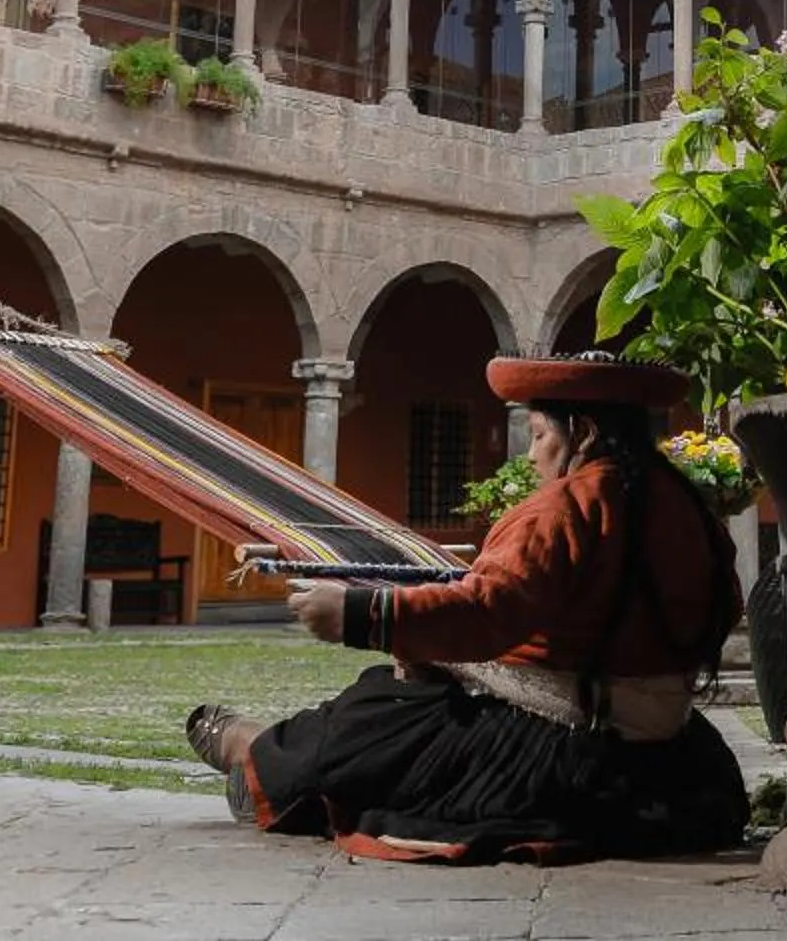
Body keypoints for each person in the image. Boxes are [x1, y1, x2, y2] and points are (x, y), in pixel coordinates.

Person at [185, 352, 749, 863]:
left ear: (582, 430)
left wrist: (359, 614)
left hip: (570, 756)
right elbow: (720, 610)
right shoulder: (688, 508)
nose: (531, 457)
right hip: (673, 757)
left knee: (377, 711)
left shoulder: (565, 508)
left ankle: (254, 757)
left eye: (536, 436)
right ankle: (262, 746)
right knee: (409, 697)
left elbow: (487, 611)